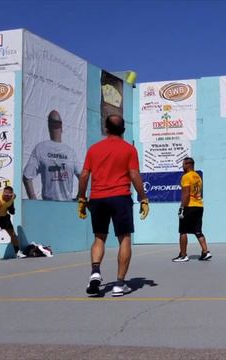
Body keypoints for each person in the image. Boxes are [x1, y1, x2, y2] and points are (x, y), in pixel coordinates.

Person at [77, 115, 150, 297]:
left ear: (106, 128)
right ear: (123, 130)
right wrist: (143, 198)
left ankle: (95, 271)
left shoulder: (94, 149)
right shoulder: (129, 149)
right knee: (124, 238)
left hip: (98, 199)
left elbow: (84, 175)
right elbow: (134, 175)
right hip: (120, 198)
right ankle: (119, 284)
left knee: (99, 237)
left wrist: (81, 198)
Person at [23, 110, 82, 201]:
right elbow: (83, 178)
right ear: (61, 128)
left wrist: (34, 202)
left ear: (49, 127)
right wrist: (78, 199)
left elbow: (27, 177)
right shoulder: (70, 152)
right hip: (67, 206)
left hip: (48, 207)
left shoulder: (41, 148)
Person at [172, 157, 212, 262]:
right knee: (198, 231)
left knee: (183, 231)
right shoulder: (198, 177)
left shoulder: (186, 177)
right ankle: (205, 252)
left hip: (189, 206)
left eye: (183, 164)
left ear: (188, 164)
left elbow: (185, 194)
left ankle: (183, 255)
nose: (182, 166)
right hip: (199, 206)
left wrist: (181, 208)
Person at [0, 186, 26, 261]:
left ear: (11, 195)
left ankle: (17, 252)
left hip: (4, 215)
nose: (6, 196)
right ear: (3, 193)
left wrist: (11, 208)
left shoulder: (13, 196)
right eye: (4, 194)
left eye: (8, 195)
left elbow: (11, 202)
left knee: (13, 234)